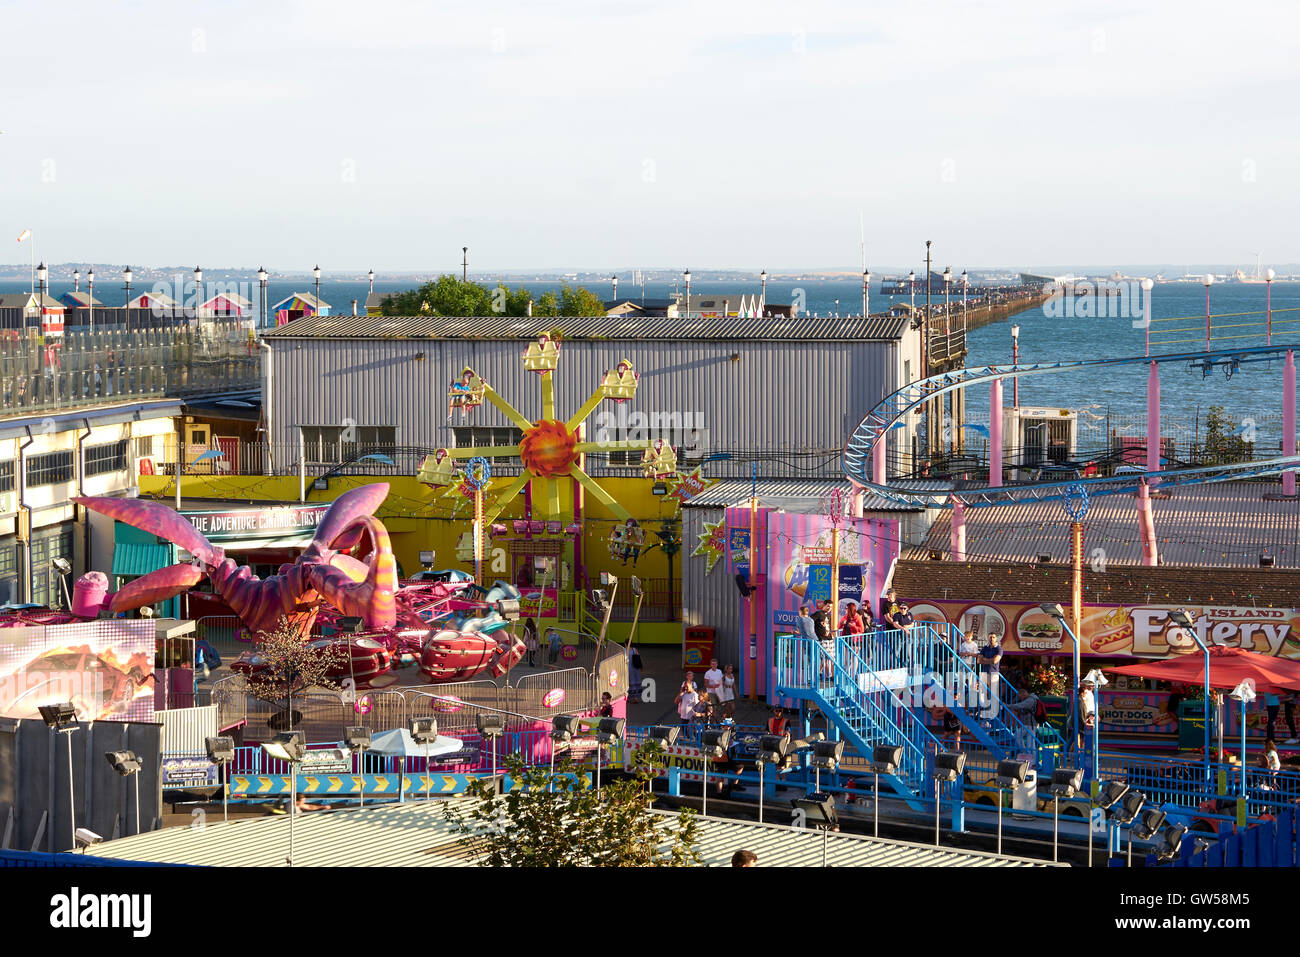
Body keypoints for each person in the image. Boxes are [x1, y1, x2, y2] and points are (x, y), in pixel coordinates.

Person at [979, 632, 1003, 723]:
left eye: (993, 637)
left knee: (993, 694)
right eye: (990, 637)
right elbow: (979, 660)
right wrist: (989, 660)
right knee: (982, 694)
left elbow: (995, 660)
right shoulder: (985, 648)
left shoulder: (999, 649)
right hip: (984, 673)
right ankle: (984, 712)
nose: (991, 639)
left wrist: (985, 659)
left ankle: (994, 713)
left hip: (993, 674)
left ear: (996, 638)